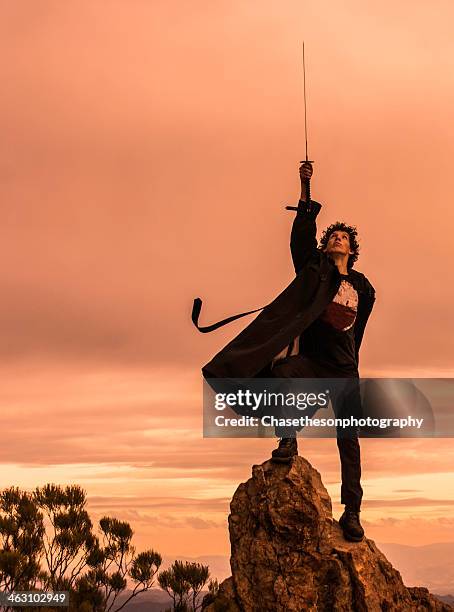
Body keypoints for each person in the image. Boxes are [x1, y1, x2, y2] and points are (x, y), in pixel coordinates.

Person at [199, 163, 375, 542]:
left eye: (344, 237)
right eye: (333, 236)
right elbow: (301, 238)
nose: (338, 239)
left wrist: (351, 369)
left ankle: (353, 511)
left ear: (352, 248)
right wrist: (305, 187)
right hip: (314, 363)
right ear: (326, 246)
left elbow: (357, 331)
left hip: (343, 370)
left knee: (349, 438)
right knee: (285, 374)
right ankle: (288, 438)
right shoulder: (314, 270)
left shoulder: (364, 287)